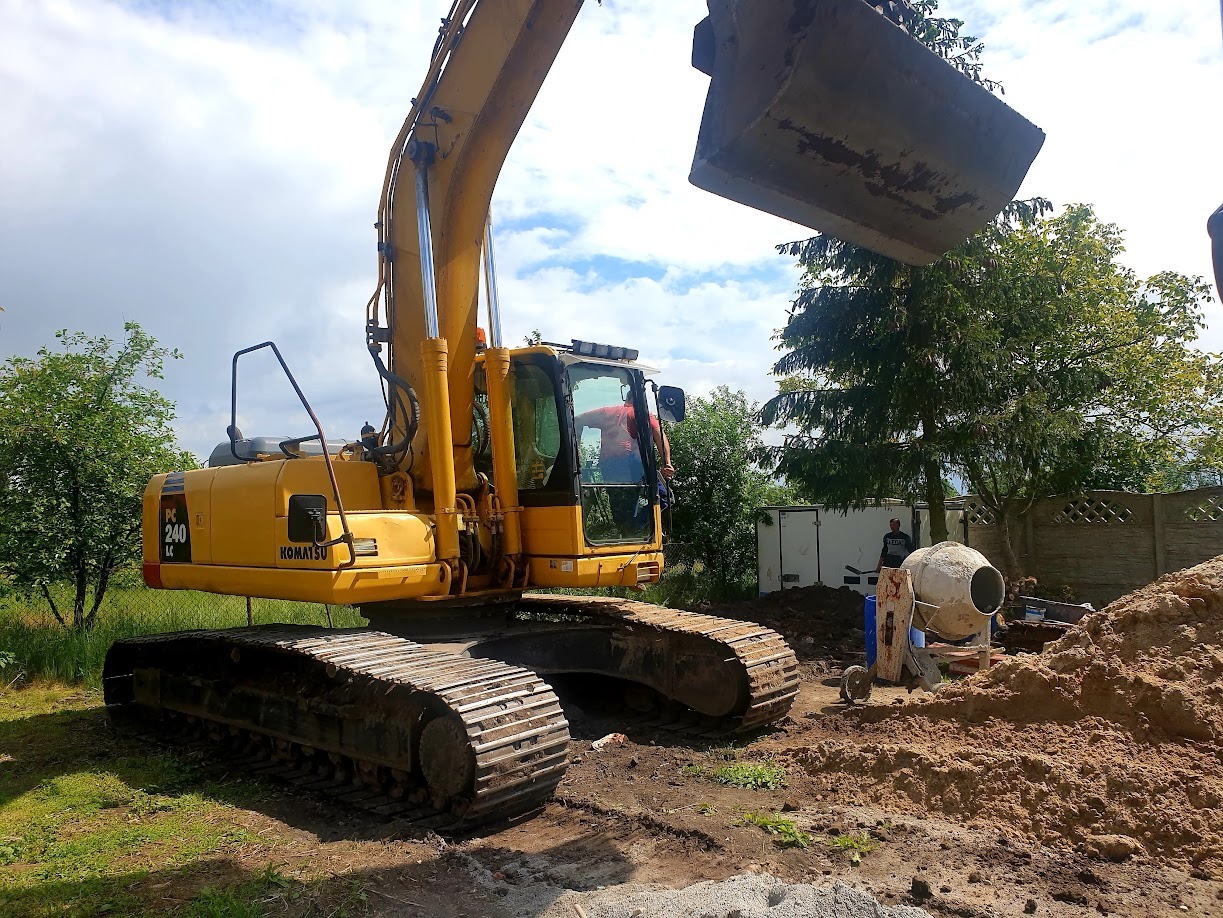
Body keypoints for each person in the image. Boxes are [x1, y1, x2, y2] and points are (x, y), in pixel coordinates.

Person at [575, 394, 674, 484]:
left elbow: (577, 420)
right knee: (662, 497)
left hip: (607, 465)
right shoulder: (641, 414)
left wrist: (577, 453)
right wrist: (667, 463)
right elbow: (659, 435)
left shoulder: (606, 412)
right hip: (629, 462)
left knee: (617, 498)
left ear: (626, 399)